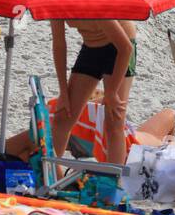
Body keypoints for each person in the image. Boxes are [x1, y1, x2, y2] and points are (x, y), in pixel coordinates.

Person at [47, 18, 136, 166]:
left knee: (114, 120)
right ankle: (53, 176)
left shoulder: (90, 2)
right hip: (91, 45)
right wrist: (63, 92)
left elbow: (126, 48)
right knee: (63, 116)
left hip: (121, 44)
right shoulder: (55, 1)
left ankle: (114, 184)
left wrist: (111, 92)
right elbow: (59, 45)